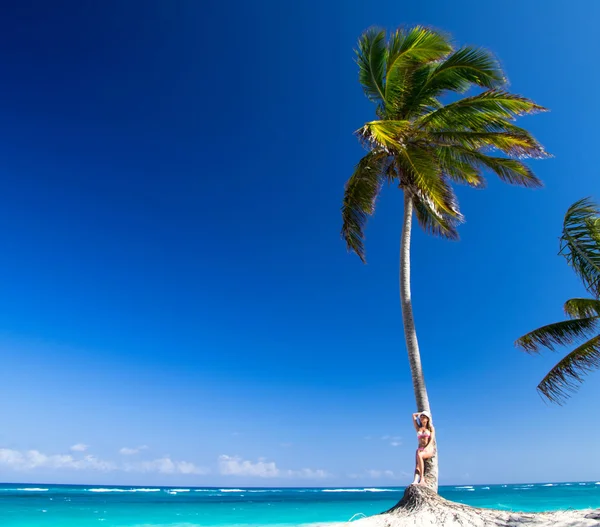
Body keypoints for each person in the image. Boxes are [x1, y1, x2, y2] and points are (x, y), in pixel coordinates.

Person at [411, 411, 435, 485]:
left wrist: (427, 447)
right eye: (421, 417)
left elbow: (431, 440)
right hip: (420, 448)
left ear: (427, 419)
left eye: (424, 417)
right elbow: (413, 415)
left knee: (420, 455)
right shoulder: (418, 428)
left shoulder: (430, 428)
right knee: (417, 465)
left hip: (428, 449)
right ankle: (415, 480)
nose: (422, 418)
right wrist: (421, 413)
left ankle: (422, 479)